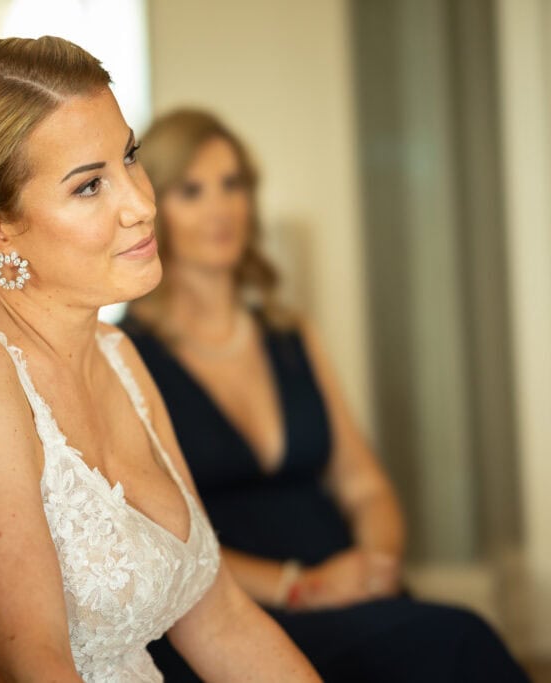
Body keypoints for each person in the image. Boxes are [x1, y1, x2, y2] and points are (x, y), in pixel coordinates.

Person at [0, 37, 320, 682]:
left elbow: (221, 621)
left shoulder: (118, 355)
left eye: (130, 158)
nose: (142, 204)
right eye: (90, 186)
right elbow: (30, 670)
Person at [122, 108, 529, 682]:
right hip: (238, 613)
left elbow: (362, 483)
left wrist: (375, 564)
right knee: (459, 638)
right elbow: (158, 543)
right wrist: (301, 587)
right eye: (192, 190)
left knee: (447, 638)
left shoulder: (289, 334)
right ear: (154, 207)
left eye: (232, 184)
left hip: (350, 589)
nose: (221, 208)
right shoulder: (124, 352)